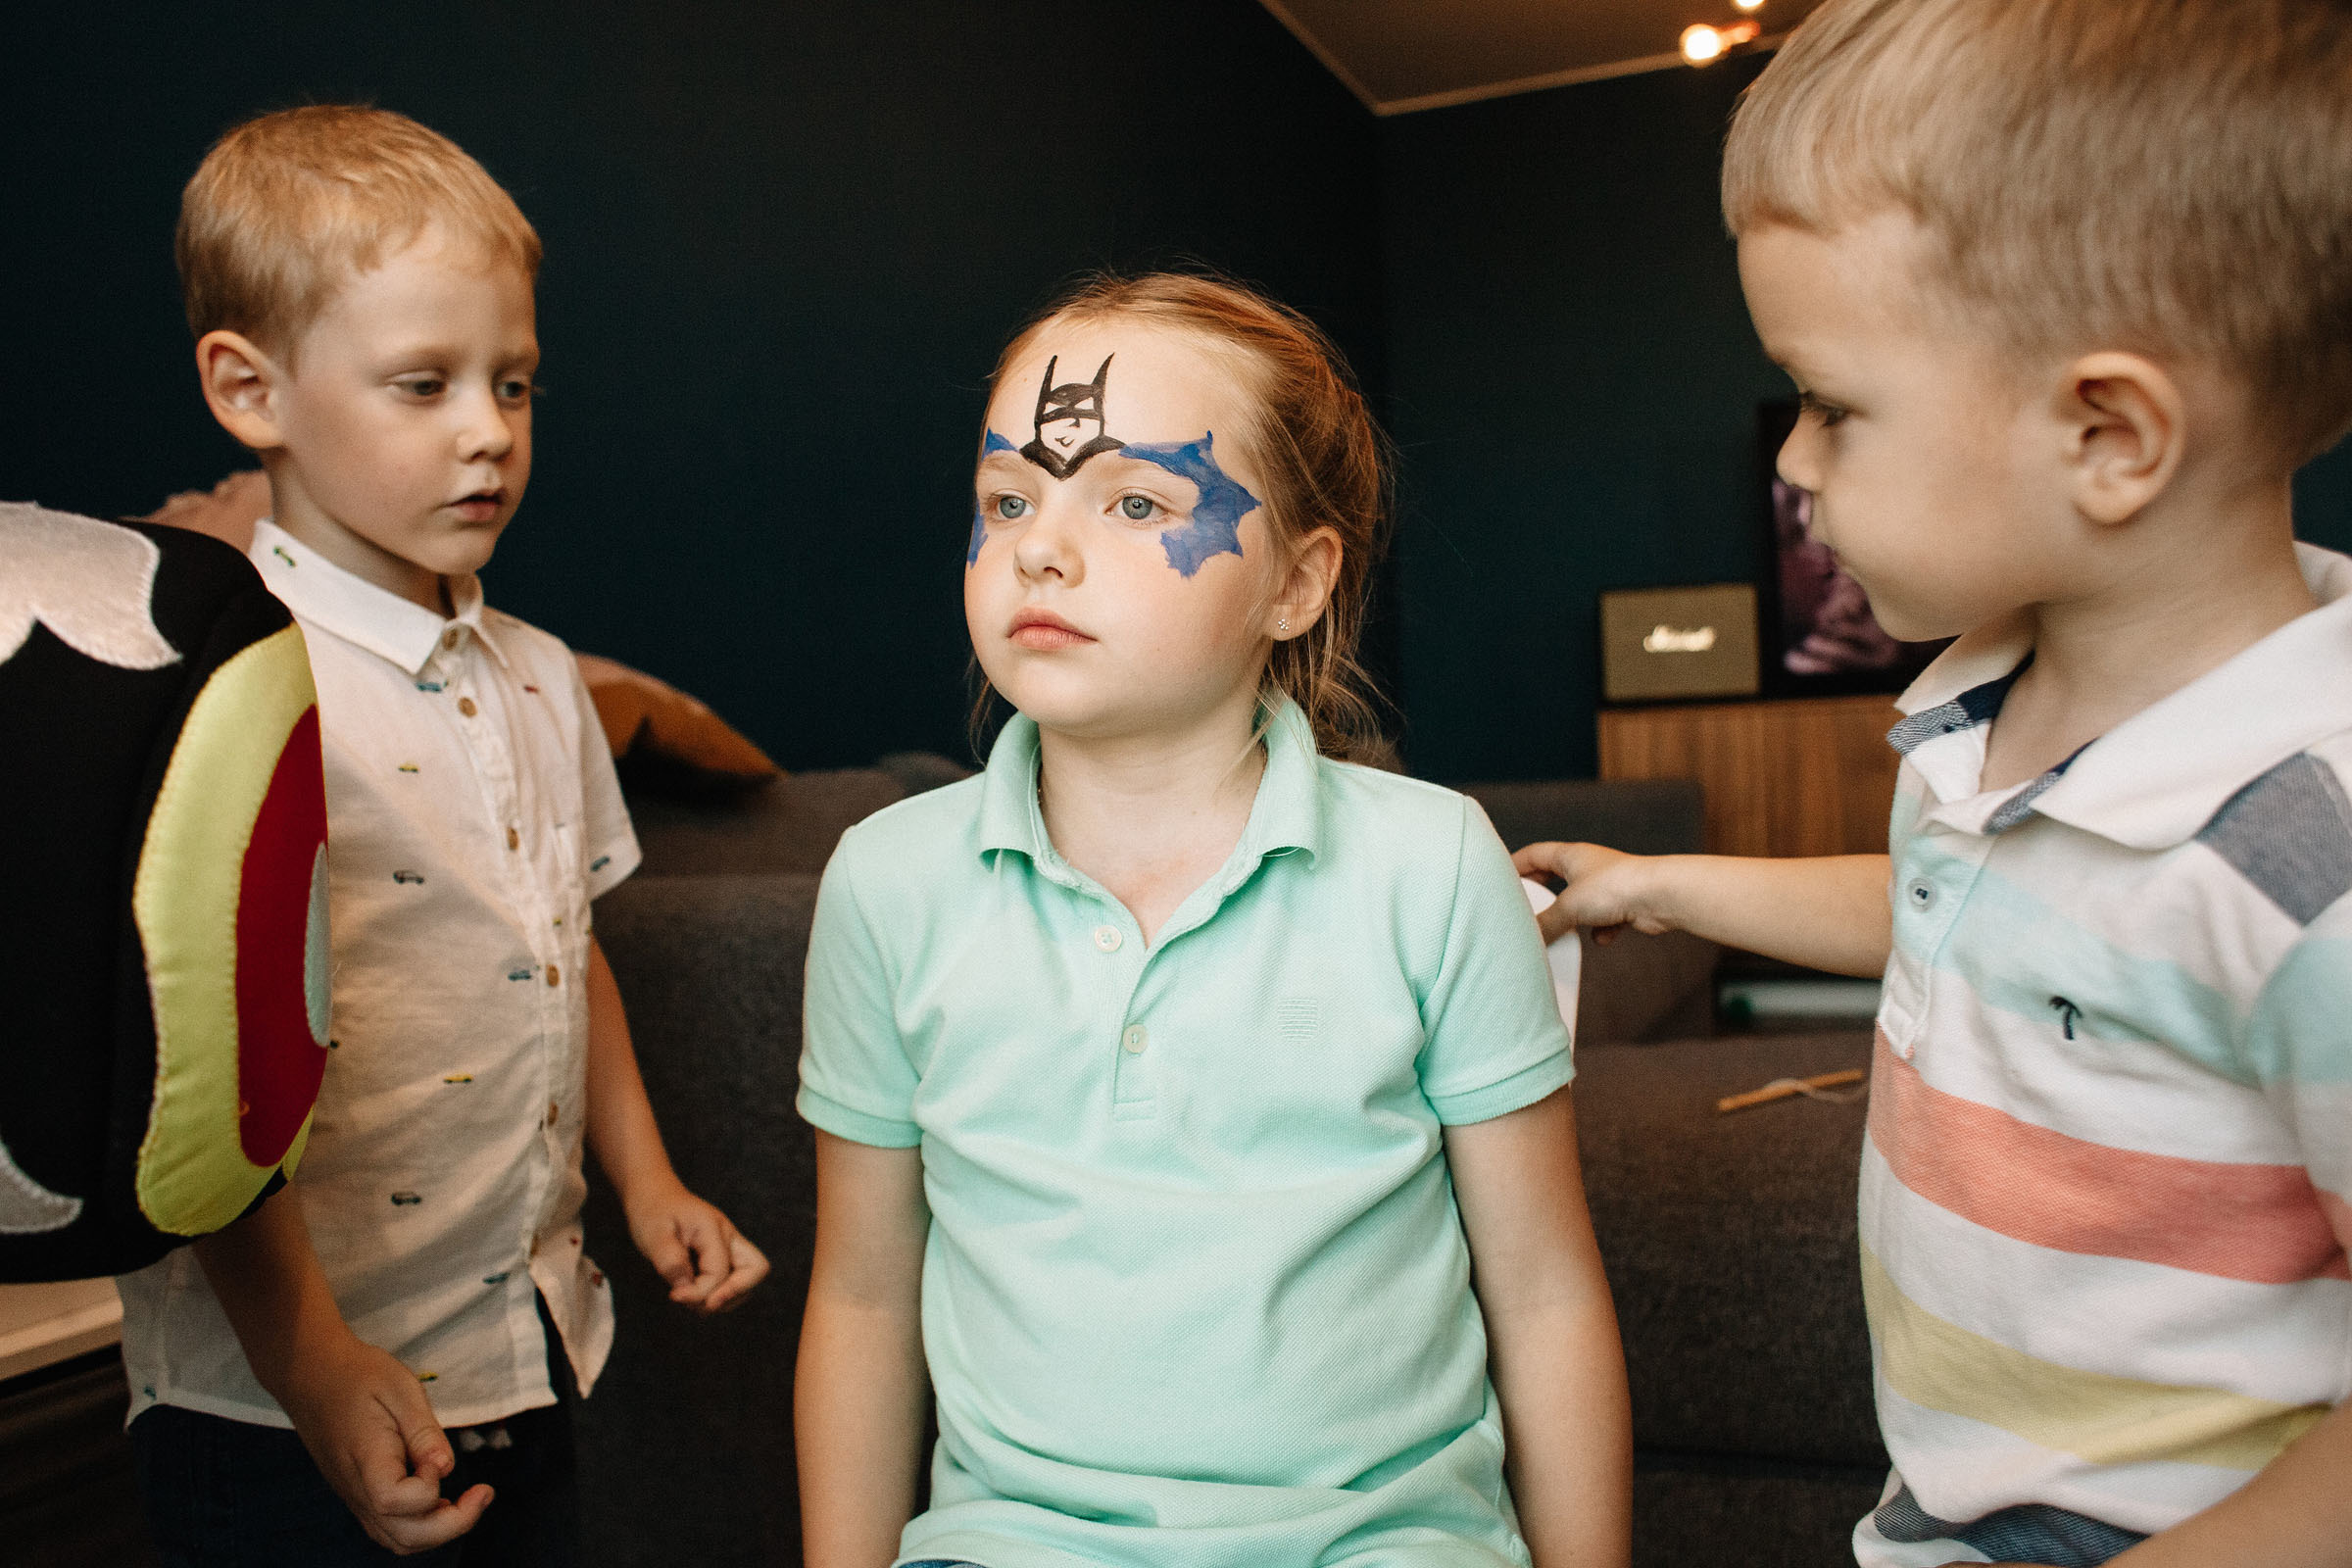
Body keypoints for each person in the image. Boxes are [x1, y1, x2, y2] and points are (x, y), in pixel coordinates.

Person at [1516, 2, 2352, 1564]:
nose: (1793, 462)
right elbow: (1947, 907)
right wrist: (1669, 888)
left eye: (1832, 404)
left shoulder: (2303, 851)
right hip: (1950, 1504)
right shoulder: (1988, 700)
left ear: (2108, 433)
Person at [794, 273, 1632, 1568]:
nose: (1039, 547)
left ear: (1295, 585)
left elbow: (1545, 1290)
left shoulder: (1431, 861)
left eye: (1135, 501)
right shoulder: (886, 884)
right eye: (1007, 499)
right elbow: (859, 1296)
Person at [118, 104, 768, 1565]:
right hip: (274, 1397)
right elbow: (199, 1080)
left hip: (514, 1346)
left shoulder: (544, 678)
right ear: (250, 389)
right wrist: (313, 1365)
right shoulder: (226, 691)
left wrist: (647, 1180)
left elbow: (565, 943)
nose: (488, 431)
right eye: (424, 384)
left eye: (515, 385)